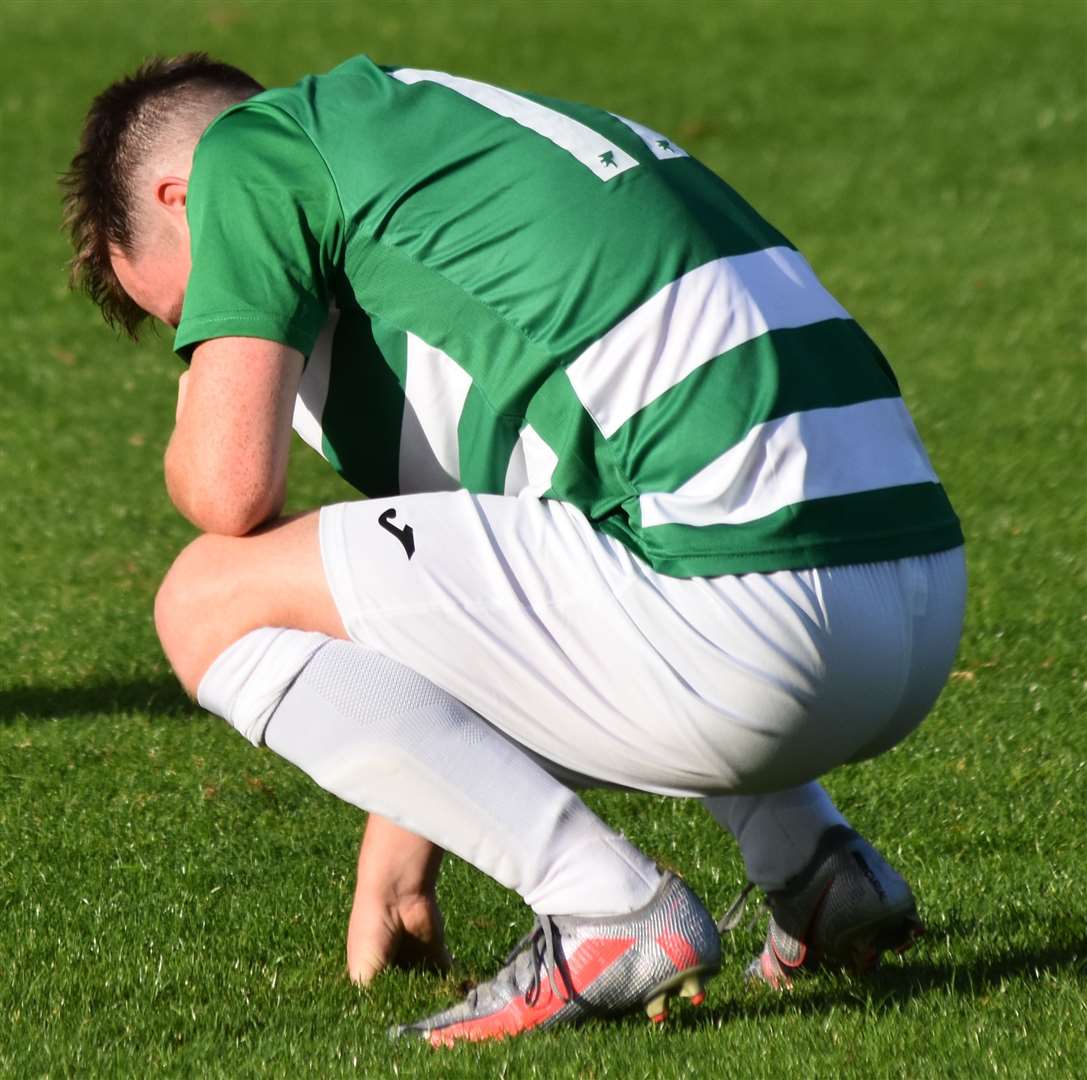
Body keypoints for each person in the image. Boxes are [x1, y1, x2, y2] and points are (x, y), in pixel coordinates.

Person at [62, 53, 965, 1045]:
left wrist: (206, 378)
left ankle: (605, 911)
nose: (214, 336)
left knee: (202, 598)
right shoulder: (445, 147)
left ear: (184, 196)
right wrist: (403, 842)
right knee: (635, 516)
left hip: (758, 633)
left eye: (186, 317)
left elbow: (230, 489)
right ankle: (814, 865)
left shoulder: (249, 155)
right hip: (915, 603)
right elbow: (506, 579)